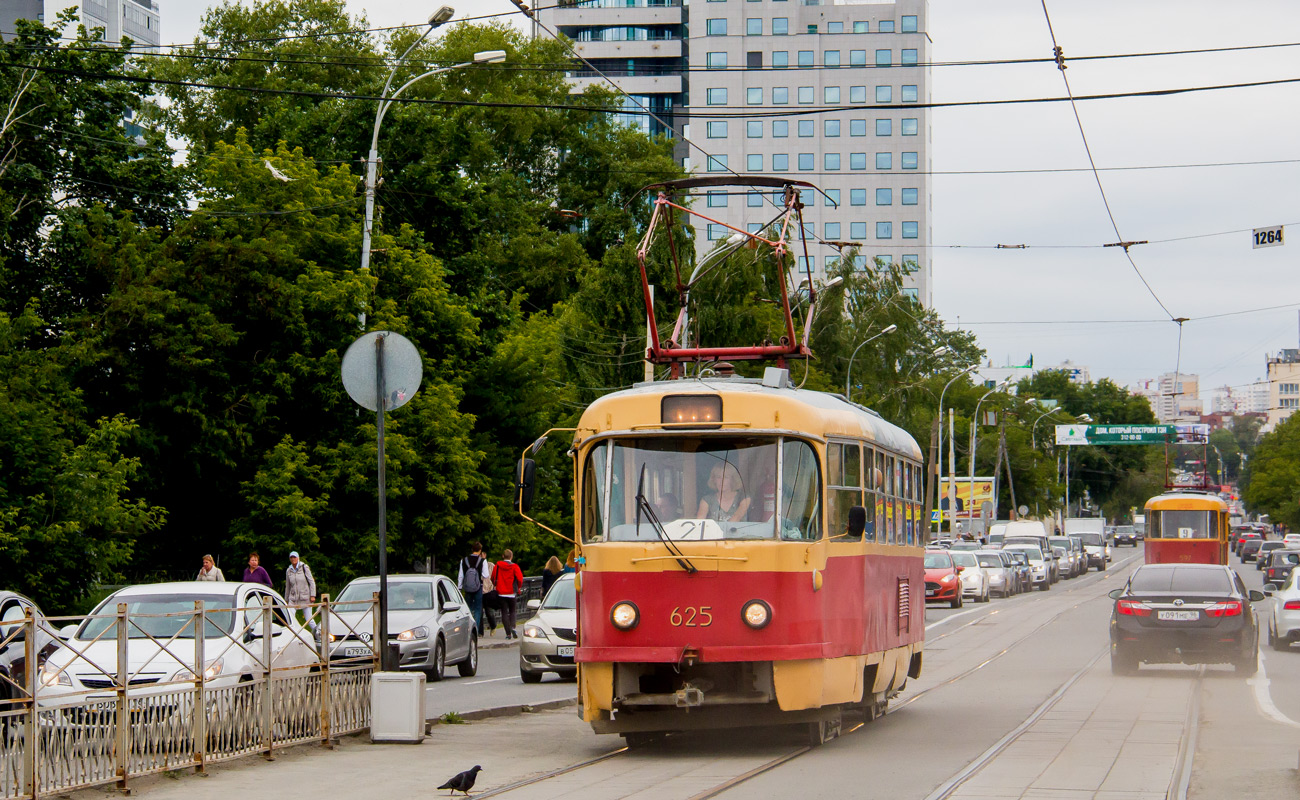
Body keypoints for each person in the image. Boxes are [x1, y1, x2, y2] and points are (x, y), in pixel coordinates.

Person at [491, 549, 525, 640]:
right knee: (513, 611)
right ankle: (513, 627)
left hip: (501, 592)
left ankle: (508, 634)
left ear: (503, 556)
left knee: (504, 613)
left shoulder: (497, 566)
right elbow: (520, 579)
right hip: (511, 592)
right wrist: (518, 587)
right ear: (511, 556)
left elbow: (493, 577)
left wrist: (496, 584)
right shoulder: (515, 567)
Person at [457, 542, 491, 634]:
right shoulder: (482, 561)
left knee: (467, 608)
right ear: (480, 551)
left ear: (472, 549)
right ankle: (475, 630)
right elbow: (486, 575)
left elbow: (461, 576)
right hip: (478, 587)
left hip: (467, 588)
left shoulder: (464, 560)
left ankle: (467, 629)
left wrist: (459, 587)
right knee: (477, 608)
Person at [285, 551, 318, 634]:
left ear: (298, 558)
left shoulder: (304, 567)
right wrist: (286, 599)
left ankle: (318, 633)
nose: (293, 559)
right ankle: (295, 634)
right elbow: (288, 586)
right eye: (291, 557)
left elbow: (311, 582)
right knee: (290, 617)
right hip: (293, 598)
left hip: (305, 597)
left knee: (309, 619)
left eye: (294, 557)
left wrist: (313, 595)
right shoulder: (289, 570)